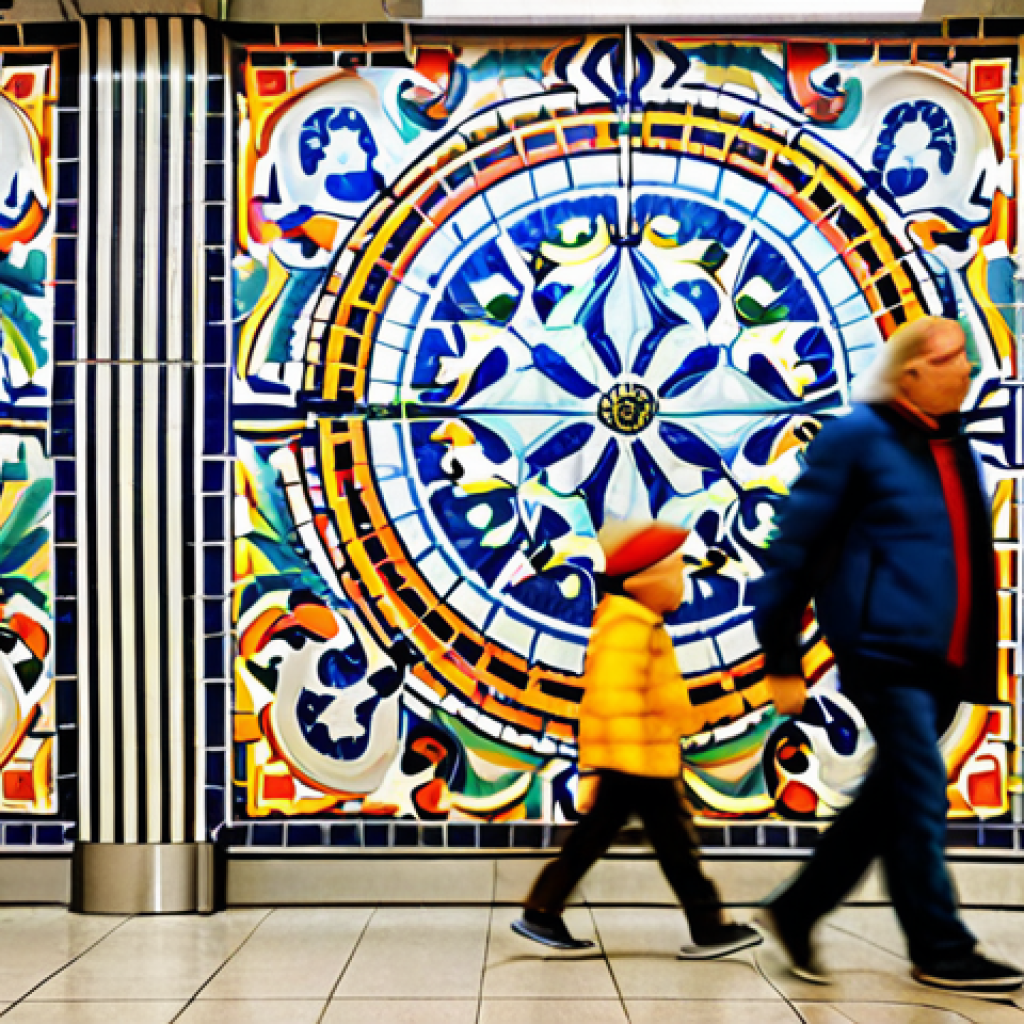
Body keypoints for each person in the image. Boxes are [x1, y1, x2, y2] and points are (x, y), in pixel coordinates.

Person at [752, 315, 1023, 994]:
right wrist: (781, 656)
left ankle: (798, 906)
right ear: (912, 373)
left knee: (890, 800)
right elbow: (796, 548)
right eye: (952, 359)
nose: (967, 369)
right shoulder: (855, 439)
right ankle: (940, 945)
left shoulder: (949, 441)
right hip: (885, 654)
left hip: (942, 659)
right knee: (921, 795)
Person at [512, 520, 762, 959]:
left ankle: (543, 911)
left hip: (642, 759)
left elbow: (661, 700)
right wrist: (603, 765)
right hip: (634, 762)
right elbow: (610, 698)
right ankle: (706, 927)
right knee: (668, 849)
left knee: (628, 844)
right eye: (676, 570)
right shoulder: (629, 628)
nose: (682, 580)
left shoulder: (637, 623)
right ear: (644, 581)